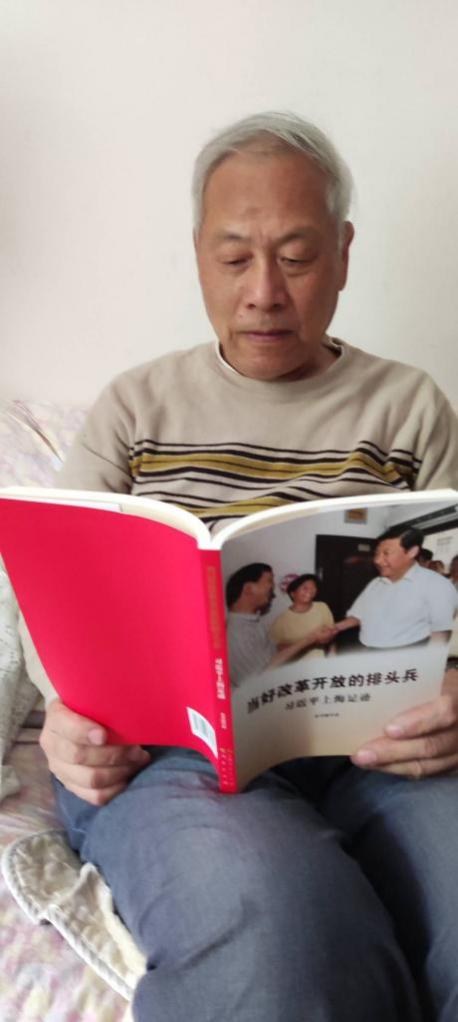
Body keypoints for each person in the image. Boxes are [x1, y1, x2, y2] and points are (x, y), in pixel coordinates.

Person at [24, 111, 458, 1021]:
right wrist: (65, 719)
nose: (264, 292)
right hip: (171, 757)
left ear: (343, 253)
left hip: (378, 747)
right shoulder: (135, 409)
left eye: (296, 257)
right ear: (197, 255)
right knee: (280, 929)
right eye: (233, 258)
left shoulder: (410, 407)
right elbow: (50, 597)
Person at [335, 527, 457, 649]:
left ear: (412, 552)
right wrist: (333, 629)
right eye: (377, 553)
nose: (377, 560)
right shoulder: (376, 583)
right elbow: (358, 615)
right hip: (366, 651)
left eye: (386, 553)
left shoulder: (437, 585)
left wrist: (429, 660)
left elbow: (441, 634)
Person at [226, 564, 334, 684]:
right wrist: (310, 639)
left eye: (313, 589)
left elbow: (274, 653)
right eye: (269, 582)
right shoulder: (236, 633)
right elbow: (259, 682)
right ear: (249, 588)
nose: (273, 594)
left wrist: (313, 641)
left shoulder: (254, 623)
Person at [269, 572, 335, 658]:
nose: (310, 591)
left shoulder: (322, 607)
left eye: (313, 588)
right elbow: (275, 649)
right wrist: (307, 644)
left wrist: (332, 657)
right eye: (305, 588)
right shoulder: (281, 620)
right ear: (293, 593)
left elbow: (332, 634)